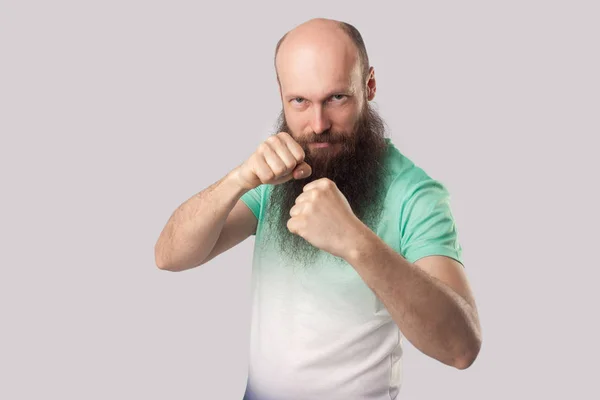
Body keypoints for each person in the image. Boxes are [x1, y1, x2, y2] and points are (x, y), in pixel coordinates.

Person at [154, 17, 482, 400]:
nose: (318, 124)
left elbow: (461, 348)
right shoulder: (274, 175)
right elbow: (168, 256)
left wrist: (355, 242)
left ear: (369, 85)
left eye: (336, 98)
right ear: (281, 95)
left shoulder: (415, 194)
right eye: (300, 102)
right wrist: (239, 179)